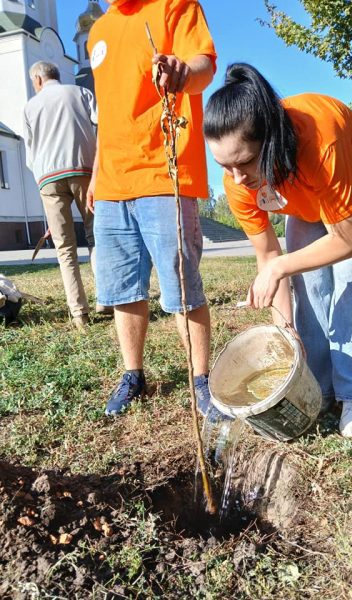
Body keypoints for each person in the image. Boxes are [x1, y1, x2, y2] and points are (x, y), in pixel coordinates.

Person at [204, 63, 352, 438]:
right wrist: (285, 330)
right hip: (301, 193)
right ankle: (319, 386)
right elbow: (267, 256)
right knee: (308, 281)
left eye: (244, 161)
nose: (237, 178)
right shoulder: (238, 182)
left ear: (271, 137)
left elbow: (346, 240)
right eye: (224, 166)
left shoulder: (320, 138)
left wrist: (279, 269)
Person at [87, 0, 219, 417]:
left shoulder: (175, 7)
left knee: (183, 286)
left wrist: (183, 73)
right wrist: (95, 174)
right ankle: (133, 376)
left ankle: (201, 380)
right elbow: (108, 116)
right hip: (111, 181)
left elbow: (204, 64)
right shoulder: (98, 31)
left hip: (166, 173)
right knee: (123, 290)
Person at [24, 61, 98, 329]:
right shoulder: (81, 93)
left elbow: (30, 153)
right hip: (84, 170)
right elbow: (101, 125)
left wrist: (42, 179)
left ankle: (79, 313)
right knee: (95, 235)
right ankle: (106, 300)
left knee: (64, 248)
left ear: (38, 79)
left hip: (49, 179)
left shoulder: (31, 106)